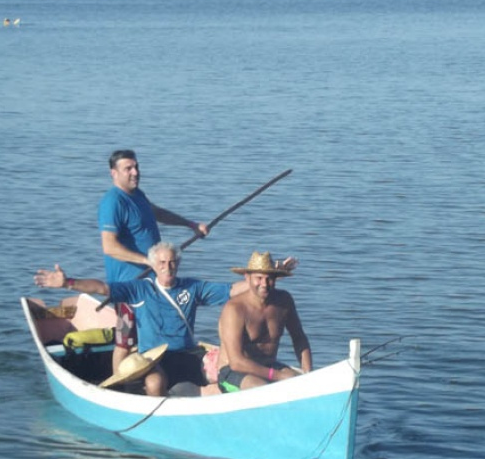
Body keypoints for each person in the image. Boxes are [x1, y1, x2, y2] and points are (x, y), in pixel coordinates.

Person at [34, 243, 297, 397]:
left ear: (178, 264)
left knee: (223, 372)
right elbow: (102, 288)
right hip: (154, 358)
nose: (167, 267)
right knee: (155, 382)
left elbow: (232, 290)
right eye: (161, 263)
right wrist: (68, 283)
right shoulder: (139, 289)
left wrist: (265, 276)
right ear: (153, 265)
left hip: (189, 354)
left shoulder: (192, 288)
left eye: (172, 262)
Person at [99, 149, 209, 376]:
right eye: (128, 169)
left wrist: (190, 225)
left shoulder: (138, 195)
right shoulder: (112, 202)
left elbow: (157, 212)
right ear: (114, 173)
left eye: (136, 167)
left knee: (152, 335)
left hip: (151, 282)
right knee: (125, 340)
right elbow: (109, 246)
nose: (135, 172)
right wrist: (148, 261)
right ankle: (119, 384)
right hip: (129, 284)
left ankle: (159, 376)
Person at [216, 251, 312, 393]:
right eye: (259, 278)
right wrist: (278, 376)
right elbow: (236, 362)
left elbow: (299, 338)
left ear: (276, 278)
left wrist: (308, 374)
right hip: (232, 371)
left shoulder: (284, 301)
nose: (264, 284)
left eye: (269, 279)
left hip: (268, 366)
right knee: (262, 388)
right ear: (247, 278)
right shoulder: (234, 309)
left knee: (299, 384)